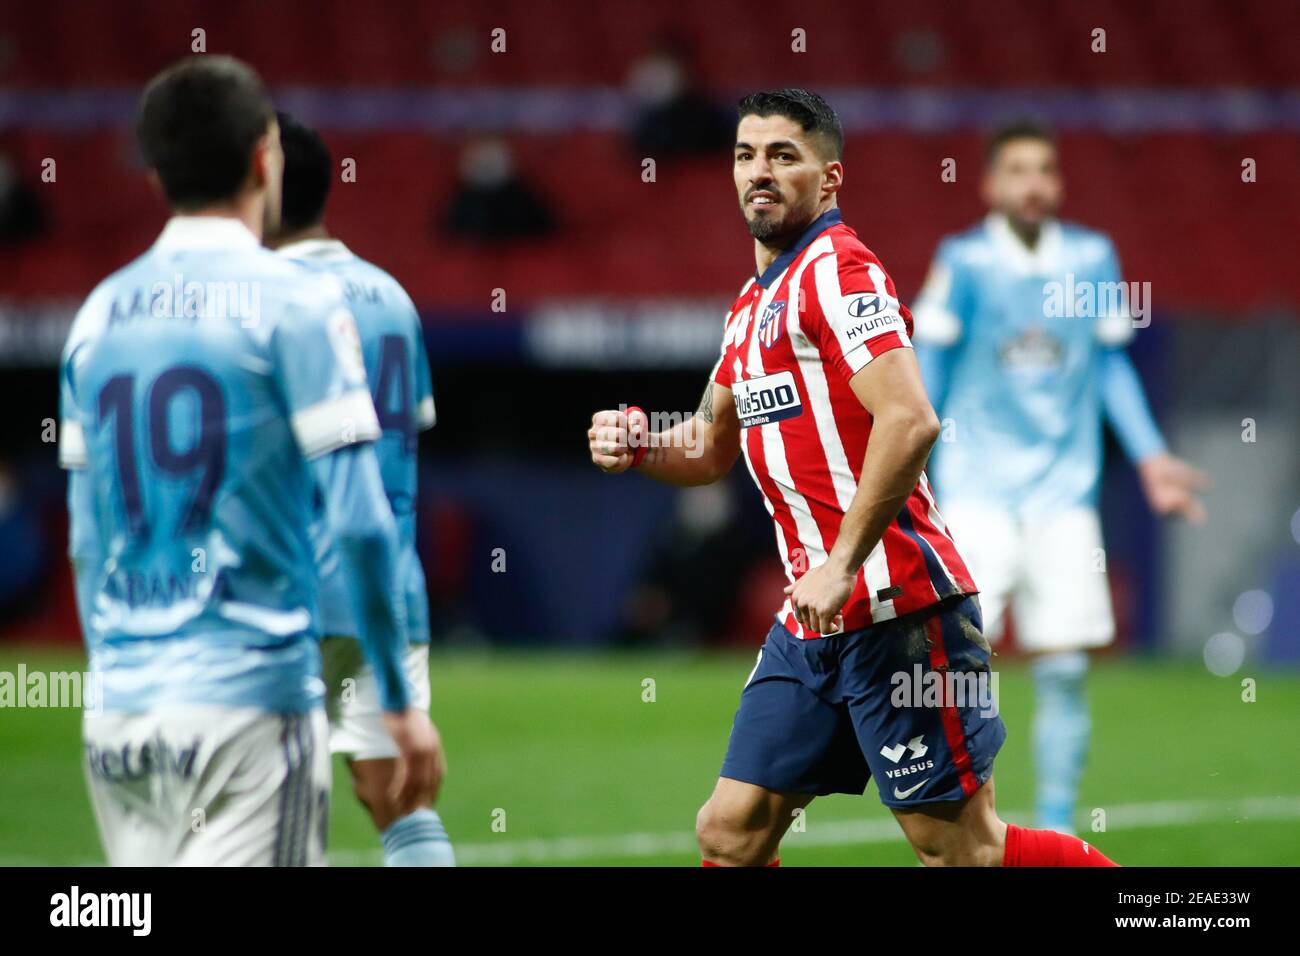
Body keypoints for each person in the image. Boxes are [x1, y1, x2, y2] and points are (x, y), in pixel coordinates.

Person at [588, 89, 1117, 866]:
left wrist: (841, 563)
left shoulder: (839, 272)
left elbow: (912, 420)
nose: (759, 172)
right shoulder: (749, 307)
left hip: (904, 612)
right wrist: (642, 441)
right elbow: (706, 445)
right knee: (730, 833)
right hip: (812, 627)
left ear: (829, 179)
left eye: (782, 156)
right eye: (745, 155)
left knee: (959, 850)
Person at [58, 56, 437, 866]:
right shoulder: (295, 302)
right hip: (249, 699)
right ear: (264, 158)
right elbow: (366, 521)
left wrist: (115, 671)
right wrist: (399, 701)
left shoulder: (96, 315)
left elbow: (86, 538)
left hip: (120, 715)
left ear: (155, 172)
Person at [912, 120, 1208, 834]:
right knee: (956, 672)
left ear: (1059, 182)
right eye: (1017, 170)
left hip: (1064, 498)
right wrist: (908, 480)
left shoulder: (1091, 258)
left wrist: (1151, 458)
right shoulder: (964, 262)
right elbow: (929, 374)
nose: (1033, 183)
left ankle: (1055, 826)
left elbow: (1109, 368)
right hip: (976, 494)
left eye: (1044, 169)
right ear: (990, 184)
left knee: (1067, 667)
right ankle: (963, 823)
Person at [268, 111, 453, 866]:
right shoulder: (390, 296)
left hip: (274, 589)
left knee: (260, 815)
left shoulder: (253, 302)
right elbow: (408, 432)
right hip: (385, 590)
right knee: (397, 799)